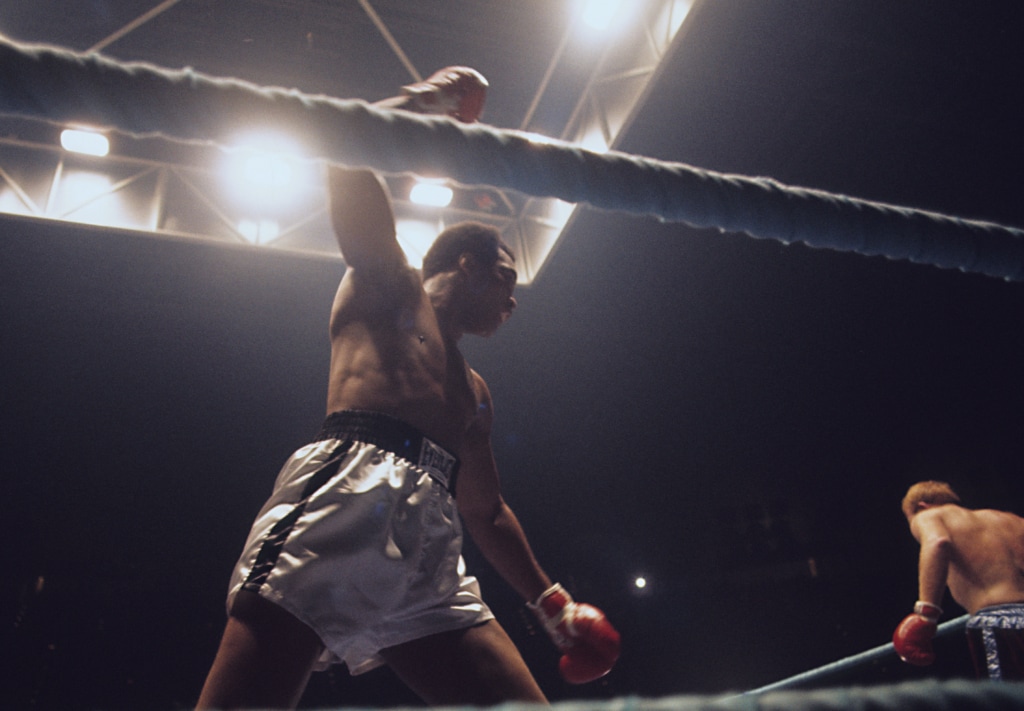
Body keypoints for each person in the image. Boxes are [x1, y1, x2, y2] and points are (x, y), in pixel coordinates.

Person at [196, 67, 620, 709]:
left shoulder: (475, 391)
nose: (513, 299)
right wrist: (427, 102)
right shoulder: (387, 282)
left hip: (429, 547)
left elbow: (486, 510)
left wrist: (552, 604)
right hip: (343, 496)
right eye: (506, 277)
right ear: (466, 264)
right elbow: (341, 152)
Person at [893, 480, 1024, 680]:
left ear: (921, 506)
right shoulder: (1011, 520)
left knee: (1005, 701)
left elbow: (938, 542)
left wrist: (927, 613)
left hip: (998, 619)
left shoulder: (929, 515)